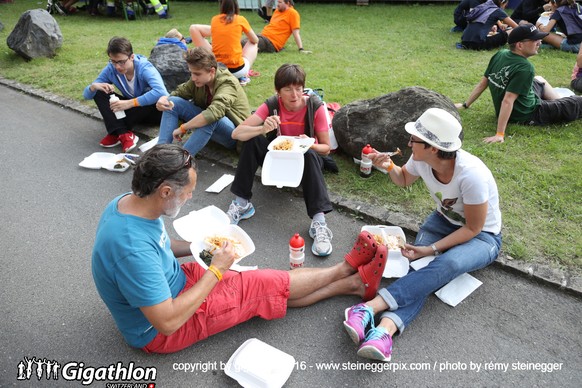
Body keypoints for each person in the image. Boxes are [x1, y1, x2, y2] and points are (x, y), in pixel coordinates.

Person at [91, 144, 387, 353]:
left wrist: (199, 245)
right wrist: (216, 270)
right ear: (165, 191)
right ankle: (347, 268)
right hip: (160, 330)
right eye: (188, 191)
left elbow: (160, 247)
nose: (191, 195)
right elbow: (167, 322)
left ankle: (352, 287)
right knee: (265, 285)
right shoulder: (132, 251)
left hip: (174, 284)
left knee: (262, 290)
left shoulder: (130, 203)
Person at [343, 108, 502, 362]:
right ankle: (385, 332)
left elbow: (473, 228)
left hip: (484, 237)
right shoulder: (421, 159)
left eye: (414, 140)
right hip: (442, 222)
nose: (408, 143)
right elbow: (404, 179)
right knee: (421, 272)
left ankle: (369, 308)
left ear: (433, 148)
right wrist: (388, 166)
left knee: (447, 263)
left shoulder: (472, 175)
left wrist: (432, 249)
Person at [226, 64, 334, 256]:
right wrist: (262, 129)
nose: (294, 94)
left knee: (309, 153)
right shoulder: (272, 105)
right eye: (288, 89)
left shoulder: (314, 106)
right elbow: (237, 133)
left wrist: (309, 144)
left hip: (305, 163)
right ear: (278, 91)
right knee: (253, 140)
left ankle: (319, 223)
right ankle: (242, 204)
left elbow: (326, 148)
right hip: (278, 160)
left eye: (298, 88)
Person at [456, 23, 582, 143]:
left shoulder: (501, 54)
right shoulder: (525, 68)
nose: (540, 42)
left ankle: (558, 102)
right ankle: (561, 105)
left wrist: (465, 104)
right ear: (520, 45)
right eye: (535, 40)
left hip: (517, 107)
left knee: (539, 79)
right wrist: (500, 134)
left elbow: (483, 83)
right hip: (528, 114)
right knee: (577, 102)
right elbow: (507, 100)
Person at [155, 47, 250, 157]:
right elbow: (179, 93)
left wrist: (183, 127)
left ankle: (181, 162)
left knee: (212, 118)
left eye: (197, 74)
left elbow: (213, 113)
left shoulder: (228, 83)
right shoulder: (198, 80)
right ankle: (160, 154)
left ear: (212, 71)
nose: (193, 78)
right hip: (211, 129)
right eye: (191, 73)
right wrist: (163, 100)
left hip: (235, 135)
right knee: (172, 102)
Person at [83, 37, 168, 152]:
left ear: (132, 57)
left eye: (121, 62)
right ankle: (123, 133)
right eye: (113, 61)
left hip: (152, 111)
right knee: (98, 92)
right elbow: (87, 96)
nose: (117, 66)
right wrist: (93, 87)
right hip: (133, 109)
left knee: (152, 97)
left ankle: (116, 132)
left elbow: (161, 92)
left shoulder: (144, 67)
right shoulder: (111, 69)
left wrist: (130, 103)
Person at [189, 0, 259, 85]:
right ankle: (244, 75)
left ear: (221, 5)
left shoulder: (214, 19)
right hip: (237, 70)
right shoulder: (241, 19)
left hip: (218, 69)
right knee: (253, 43)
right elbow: (255, 40)